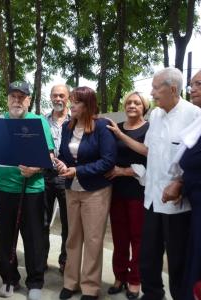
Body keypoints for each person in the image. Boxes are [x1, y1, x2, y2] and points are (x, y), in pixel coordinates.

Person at [107, 67, 201, 300]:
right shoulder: (156, 115)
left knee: (178, 261)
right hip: (150, 198)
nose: (152, 92)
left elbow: (194, 160)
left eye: (156, 88)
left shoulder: (193, 115)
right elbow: (147, 150)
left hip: (177, 204)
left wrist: (179, 182)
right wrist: (121, 136)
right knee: (148, 257)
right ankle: (152, 295)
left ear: (172, 89)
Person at [0, 81, 54, 300]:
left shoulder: (39, 121)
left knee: (34, 238)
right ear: (8, 99)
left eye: (22, 97)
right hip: (3, 188)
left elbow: (50, 156)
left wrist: (36, 167)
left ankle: (35, 283)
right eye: (13, 96)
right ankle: (9, 280)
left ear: (29, 100)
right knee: (5, 237)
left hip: (32, 189)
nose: (17, 101)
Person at [55, 86, 116, 300]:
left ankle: (90, 287)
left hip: (95, 191)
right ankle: (71, 282)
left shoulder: (102, 126)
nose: (71, 105)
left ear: (88, 105)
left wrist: (78, 170)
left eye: (76, 102)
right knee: (72, 238)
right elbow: (64, 153)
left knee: (92, 239)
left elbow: (108, 161)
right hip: (72, 189)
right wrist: (61, 163)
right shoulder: (67, 127)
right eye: (72, 101)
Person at [104, 91, 150, 299]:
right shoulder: (117, 127)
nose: (132, 105)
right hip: (117, 191)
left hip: (139, 191)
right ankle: (119, 276)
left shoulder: (149, 128)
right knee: (119, 237)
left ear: (144, 107)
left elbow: (150, 156)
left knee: (138, 238)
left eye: (137, 103)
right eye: (129, 102)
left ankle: (135, 280)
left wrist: (124, 171)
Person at [165, 70, 201, 299]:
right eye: (191, 85)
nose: (193, 89)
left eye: (198, 83)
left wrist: (181, 183)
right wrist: (181, 182)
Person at [43, 84, 70, 273]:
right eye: (55, 95)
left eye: (62, 95)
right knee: (42, 221)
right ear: (50, 97)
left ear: (68, 97)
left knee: (68, 223)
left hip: (68, 177)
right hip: (44, 176)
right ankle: (41, 259)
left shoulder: (75, 120)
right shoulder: (42, 121)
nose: (58, 99)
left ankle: (65, 260)